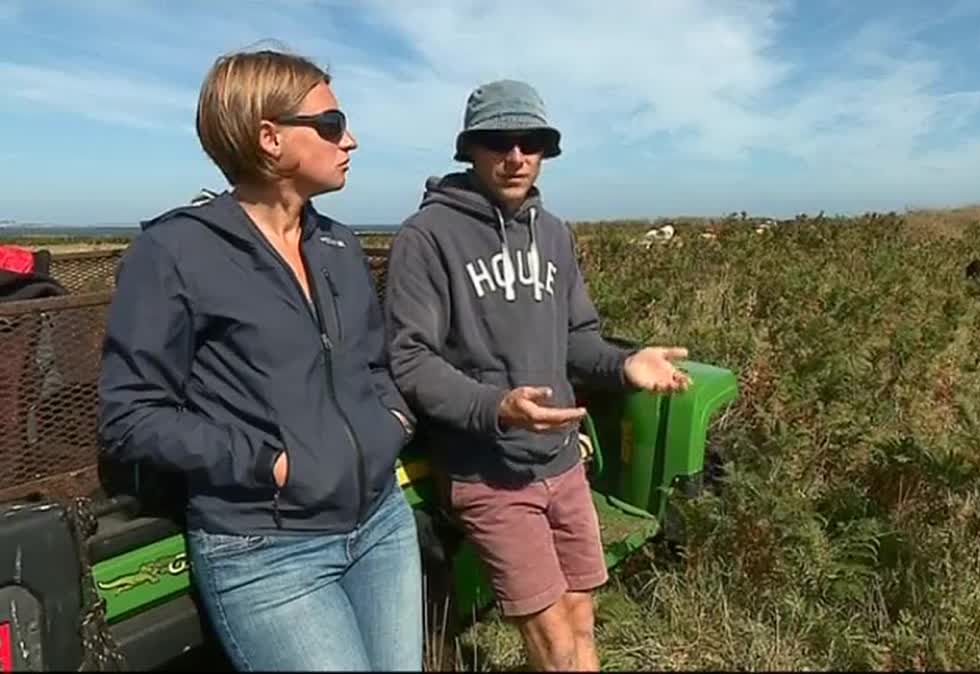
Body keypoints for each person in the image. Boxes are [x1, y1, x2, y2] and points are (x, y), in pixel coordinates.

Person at [97, 48, 424, 671]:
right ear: (270, 138)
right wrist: (268, 464)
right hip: (267, 551)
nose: (348, 139)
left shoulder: (338, 243)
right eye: (330, 124)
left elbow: (373, 366)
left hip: (382, 525)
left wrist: (392, 425)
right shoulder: (173, 253)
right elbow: (130, 416)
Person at [384, 79, 691, 671]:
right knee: (554, 643)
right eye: (498, 141)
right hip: (488, 471)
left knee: (579, 620)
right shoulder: (427, 238)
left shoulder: (553, 234)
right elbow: (411, 358)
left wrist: (623, 364)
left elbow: (577, 338)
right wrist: (495, 406)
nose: (516, 156)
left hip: (561, 464)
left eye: (533, 142)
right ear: (469, 149)